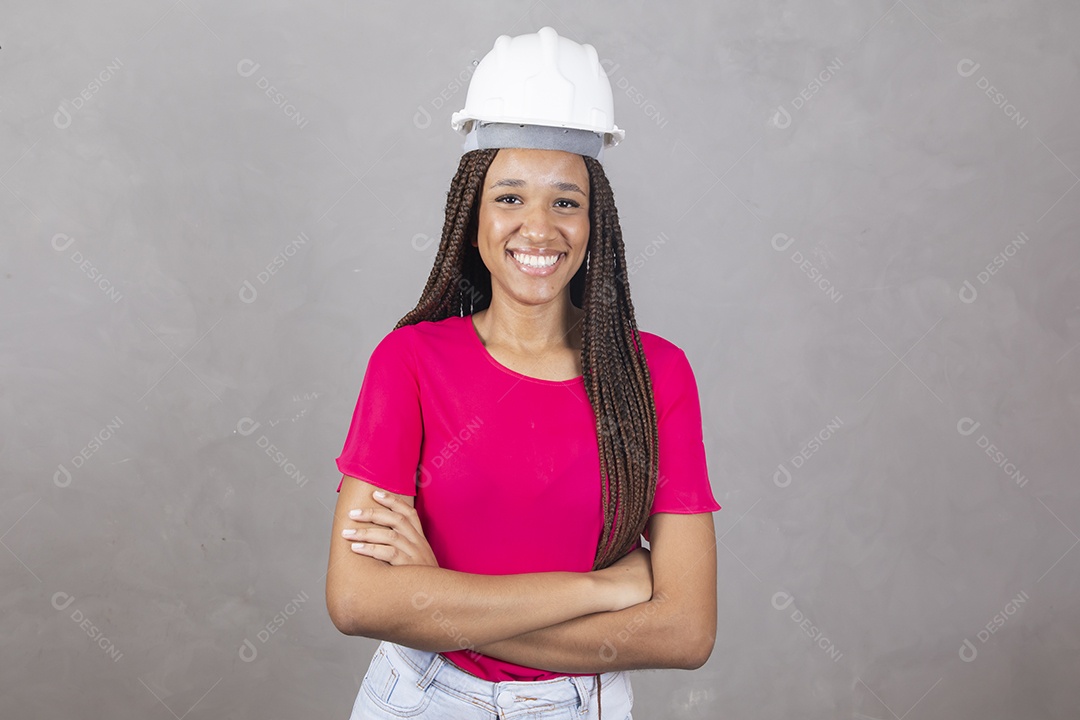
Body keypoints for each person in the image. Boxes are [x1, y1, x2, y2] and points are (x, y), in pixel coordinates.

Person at [326, 26, 722, 720]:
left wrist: (437, 598)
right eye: (509, 197)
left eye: (565, 201)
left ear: (596, 222)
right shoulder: (410, 361)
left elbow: (686, 631)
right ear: (471, 216)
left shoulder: (656, 376)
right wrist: (599, 589)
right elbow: (358, 600)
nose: (538, 229)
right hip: (420, 700)